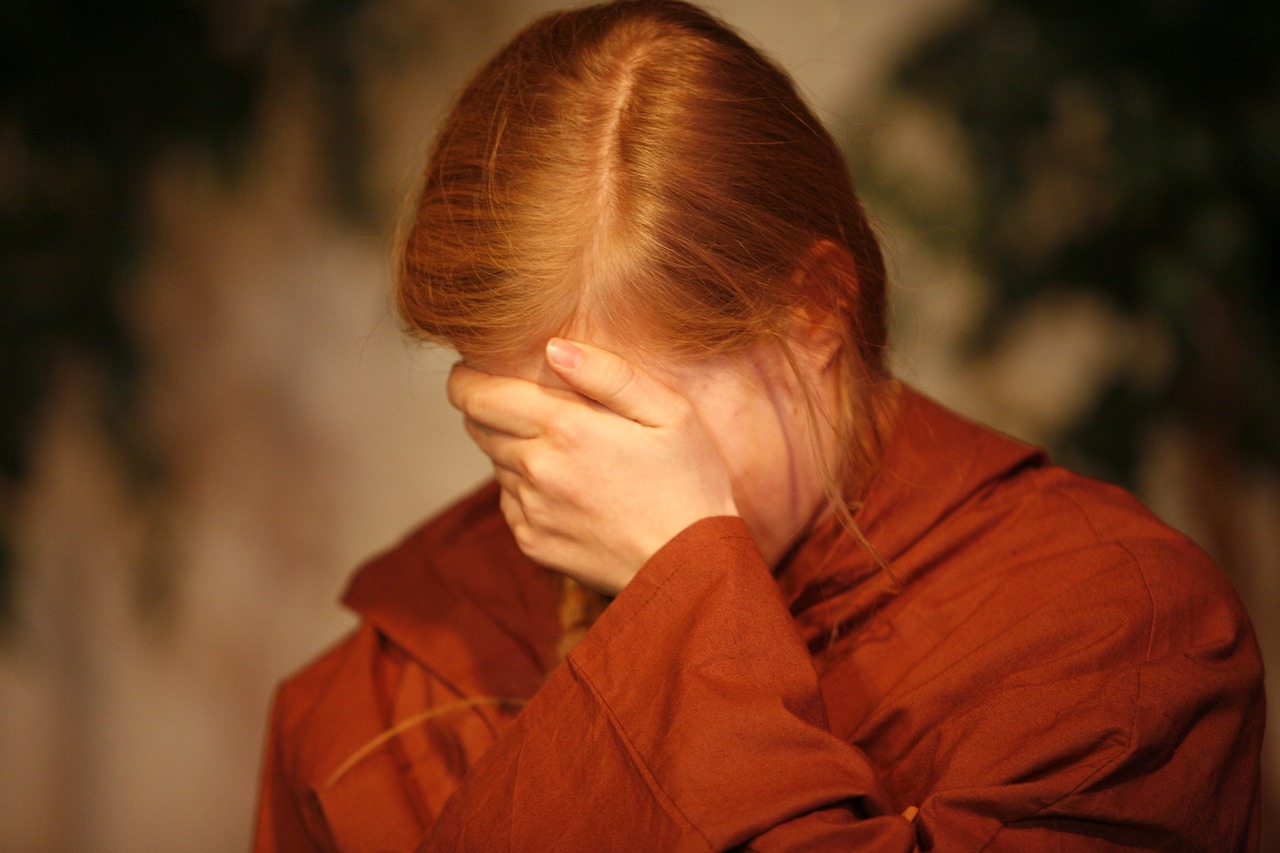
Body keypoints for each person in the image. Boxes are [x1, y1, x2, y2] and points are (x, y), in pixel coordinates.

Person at [253, 1, 1265, 850]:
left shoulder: (1119, 637)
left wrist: (681, 583)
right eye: (512, 425)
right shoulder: (379, 691)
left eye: (614, 415)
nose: (562, 485)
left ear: (814, 312)